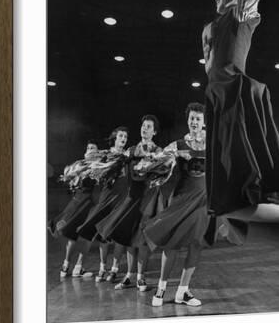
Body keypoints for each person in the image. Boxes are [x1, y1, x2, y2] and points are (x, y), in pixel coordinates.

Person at [202, 0, 279, 245]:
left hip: (237, 100)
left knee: (230, 201)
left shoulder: (241, 13)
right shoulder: (214, 25)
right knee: (223, 205)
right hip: (219, 103)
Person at [144, 103, 210, 307]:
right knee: (172, 243)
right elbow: (156, 159)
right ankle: (162, 288)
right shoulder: (177, 144)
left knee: (196, 243)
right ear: (188, 121)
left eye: (198, 119)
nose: (195, 122)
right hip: (181, 198)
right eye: (192, 118)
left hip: (203, 200)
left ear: (203, 122)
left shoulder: (212, 143)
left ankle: (183, 291)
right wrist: (176, 155)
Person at [96, 115, 163, 292]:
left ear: (154, 131)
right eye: (143, 126)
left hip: (148, 200)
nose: (145, 128)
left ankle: (141, 277)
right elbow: (116, 164)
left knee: (142, 240)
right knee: (128, 238)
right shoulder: (131, 150)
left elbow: (163, 172)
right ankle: (129, 276)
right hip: (131, 198)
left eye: (149, 126)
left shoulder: (159, 151)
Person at [76, 127, 129, 282]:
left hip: (122, 198)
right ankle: (102, 267)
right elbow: (89, 161)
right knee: (103, 235)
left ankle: (114, 269)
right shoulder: (106, 154)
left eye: (125, 136)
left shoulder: (128, 155)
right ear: (115, 137)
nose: (123, 138)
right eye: (120, 135)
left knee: (119, 236)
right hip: (107, 197)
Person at [51, 141, 101, 279]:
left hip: (90, 204)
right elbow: (70, 181)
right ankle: (65, 265)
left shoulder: (99, 166)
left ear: (97, 152)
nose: (90, 150)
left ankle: (78, 268)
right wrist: (71, 178)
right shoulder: (78, 164)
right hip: (77, 203)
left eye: (93, 148)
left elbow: (99, 180)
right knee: (72, 235)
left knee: (88, 237)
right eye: (88, 148)